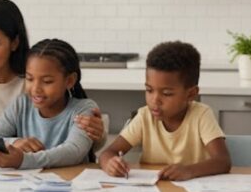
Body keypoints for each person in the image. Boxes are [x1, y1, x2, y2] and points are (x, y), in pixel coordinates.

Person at [0, 0, 105, 161]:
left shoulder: (35, 72)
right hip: (3, 167)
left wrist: (97, 134)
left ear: (14, 43)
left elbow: (76, 146)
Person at [0, 39, 97, 169]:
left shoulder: (83, 109)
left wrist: (24, 160)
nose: (35, 89)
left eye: (47, 81)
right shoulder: (22, 104)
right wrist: (15, 143)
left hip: (70, 186)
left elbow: (74, 152)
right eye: (29, 79)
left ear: (69, 81)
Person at [99, 41, 231, 181]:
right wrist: (110, 163)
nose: (155, 100)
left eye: (167, 93)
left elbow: (223, 161)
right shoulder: (144, 116)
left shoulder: (201, 115)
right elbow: (108, 153)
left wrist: (188, 171)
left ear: (191, 94)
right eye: (149, 90)